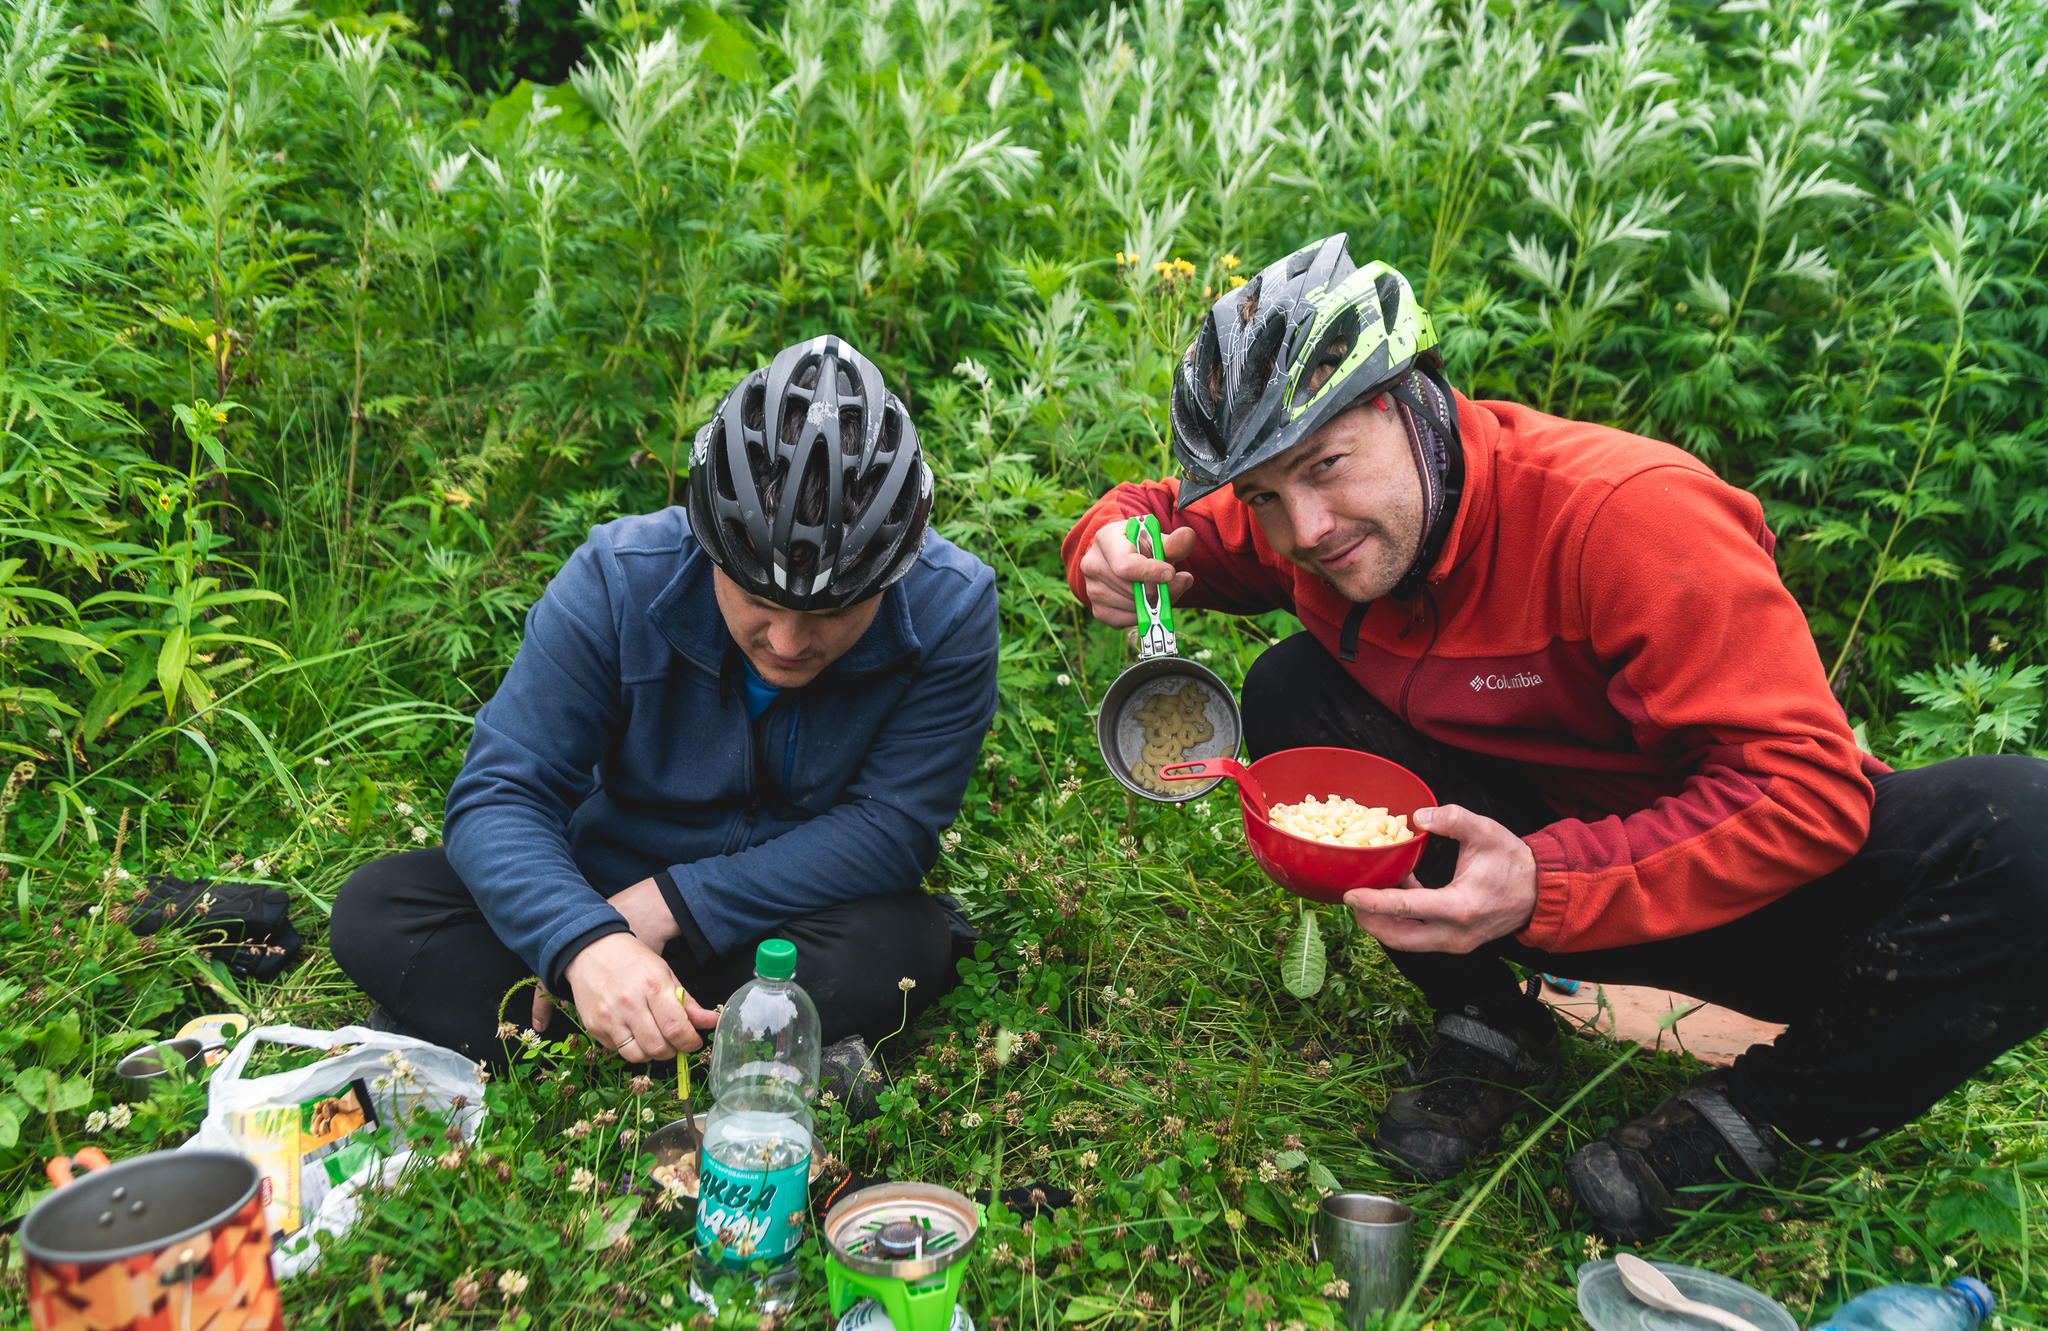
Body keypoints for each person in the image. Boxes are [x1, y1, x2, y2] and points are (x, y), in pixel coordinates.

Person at [1062, 234, 2048, 1242]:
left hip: (1750, 891)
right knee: (1289, 688)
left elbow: (1805, 790)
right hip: (1520, 864)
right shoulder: (1316, 530)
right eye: (1267, 493)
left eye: (1324, 466)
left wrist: (1546, 877)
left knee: (2030, 831)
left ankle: (1755, 1115)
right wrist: (1103, 541)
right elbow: (1162, 518)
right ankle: (1490, 1022)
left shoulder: (1621, 517)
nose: (1305, 528)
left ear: (1408, 402)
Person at [333, 335, 998, 1098]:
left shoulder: (953, 607)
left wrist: (678, 902)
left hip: (792, 918)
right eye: (759, 599)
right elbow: (500, 794)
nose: (787, 642)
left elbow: (893, 829)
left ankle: (563, 1043)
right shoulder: (616, 578)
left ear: (898, 563)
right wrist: (586, 940)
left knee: (903, 942)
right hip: (605, 885)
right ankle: (754, 1047)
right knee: (377, 908)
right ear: (708, 538)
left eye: (835, 610)